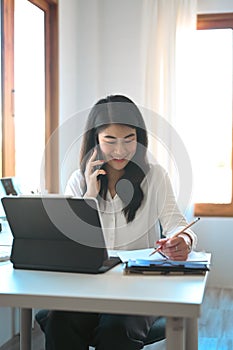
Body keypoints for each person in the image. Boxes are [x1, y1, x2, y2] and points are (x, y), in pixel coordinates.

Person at [36, 94, 197, 350]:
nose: (120, 150)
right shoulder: (78, 181)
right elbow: (69, 243)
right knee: (59, 322)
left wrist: (183, 240)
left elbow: (176, 223)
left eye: (129, 140)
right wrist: (89, 195)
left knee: (116, 330)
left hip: (139, 286)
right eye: (110, 140)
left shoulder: (155, 176)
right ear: (95, 140)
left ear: (139, 138)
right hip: (89, 287)